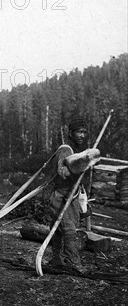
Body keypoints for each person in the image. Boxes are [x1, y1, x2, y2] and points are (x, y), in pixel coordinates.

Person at [46, 117, 94, 274]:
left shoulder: (75, 150)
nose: (82, 135)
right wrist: (81, 166)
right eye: (79, 132)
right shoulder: (66, 150)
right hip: (61, 197)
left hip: (70, 195)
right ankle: (74, 262)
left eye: (84, 132)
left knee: (59, 230)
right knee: (69, 230)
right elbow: (62, 172)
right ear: (71, 133)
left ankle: (56, 260)